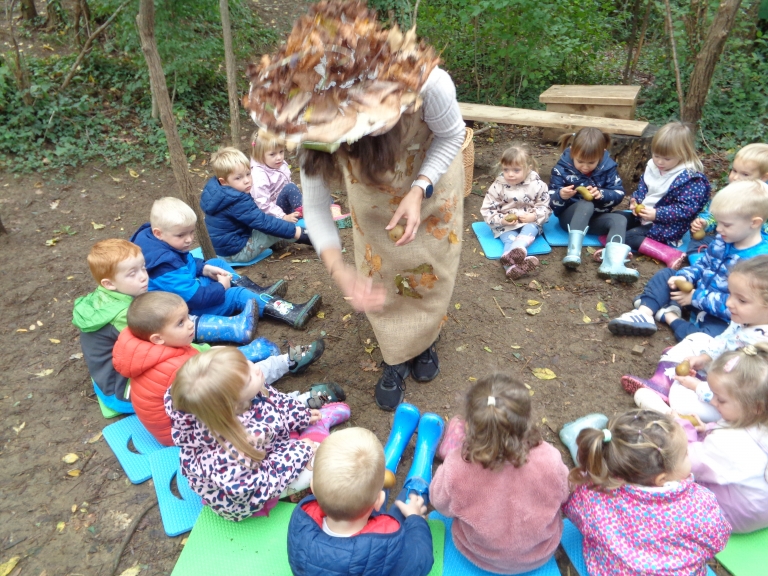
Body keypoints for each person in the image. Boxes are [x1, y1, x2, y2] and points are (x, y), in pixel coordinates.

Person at [281, 13, 466, 411]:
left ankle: (426, 340)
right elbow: (314, 206)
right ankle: (396, 355)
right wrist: (341, 272)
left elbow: (452, 134)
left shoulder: (428, 83)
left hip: (430, 180)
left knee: (432, 268)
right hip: (371, 201)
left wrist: (420, 188)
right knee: (380, 271)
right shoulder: (308, 111)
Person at [112, 291, 328, 445]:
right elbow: (217, 399)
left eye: (188, 317)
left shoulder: (152, 347)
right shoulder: (173, 369)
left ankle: (286, 362)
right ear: (157, 338)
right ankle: (297, 403)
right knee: (247, 392)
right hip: (187, 431)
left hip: (195, 408)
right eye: (180, 323)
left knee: (244, 372)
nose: (190, 325)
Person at [165, 346, 351, 521]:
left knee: (299, 435)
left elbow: (276, 402)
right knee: (323, 456)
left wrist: (300, 415)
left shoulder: (237, 396)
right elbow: (260, 486)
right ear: (232, 405)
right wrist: (300, 451)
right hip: (254, 493)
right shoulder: (231, 453)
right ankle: (317, 433)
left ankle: (309, 431)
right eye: (247, 378)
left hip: (266, 451)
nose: (255, 368)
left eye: (247, 362)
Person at [430, 374, 569, 574]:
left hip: (478, 555)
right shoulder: (550, 458)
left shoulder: (457, 466)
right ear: (527, 421)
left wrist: (452, 460)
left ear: (468, 426)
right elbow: (564, 493)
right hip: (538, 554)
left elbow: (440, 504)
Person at [563, 409, 730, 575]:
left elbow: (571, 510)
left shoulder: (591, 492)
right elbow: (718, 541)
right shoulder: (701, 504)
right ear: (662, 479)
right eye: (685, 453)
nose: (690, 454)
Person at [608, 180, 768, 340]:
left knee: (710, 340)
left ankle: (670, 316)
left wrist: (696, 297)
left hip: (724, 314)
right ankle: (644, 313)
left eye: (726, 224)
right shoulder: (723, 239)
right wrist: (685, 277)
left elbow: (743, 304)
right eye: (718, 222)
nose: (718, 229)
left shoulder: (758, 261)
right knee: (667, 275)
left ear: (754, 223)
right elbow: (703, 264)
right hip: (696, 295)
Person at [131, 196, 321, 330]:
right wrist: (222, 288)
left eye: (191, 232)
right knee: (235, 294)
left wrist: (203, 268)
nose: (189, 240)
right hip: (186, 310)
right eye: (182, 235)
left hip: (188, 291)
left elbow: (185, 261)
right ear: (158, 233)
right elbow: (196, 298)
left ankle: (257, 295)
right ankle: (289, 313)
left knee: (216, 263)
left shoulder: (161, 242)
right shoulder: (163, 265)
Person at [624, 256, 768, 423]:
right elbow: (723, 341)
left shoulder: (761, 347)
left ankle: (674, 417)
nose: (729, 303)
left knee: (684, 401)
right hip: (719, 373)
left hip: (729, 400)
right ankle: (661, 382)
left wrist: (696, 386)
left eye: (741, 300)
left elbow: (736, 394)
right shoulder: (745, 319)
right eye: (730, 295)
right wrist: (704, 358)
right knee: (699, 338)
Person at [287, 427, 434, 576]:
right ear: (379, 501)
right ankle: (416, 484)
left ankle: (392, 454)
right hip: (379, 547)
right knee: (406, 507)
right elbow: (421, 559)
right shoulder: (393, 547)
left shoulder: (300, 522)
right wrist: (415, 520)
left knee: (362, 492)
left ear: (313, 487)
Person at [72, 239, 148, 414]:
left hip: (104, 380)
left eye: (143, 267)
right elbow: (154, 348)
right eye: (132, 273)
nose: (143, 276)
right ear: (109, 283)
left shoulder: (103, 296)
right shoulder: (122, 315)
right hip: (122, 393)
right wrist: (201, 352)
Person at [200, 146, 312, 265]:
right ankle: (310, 237)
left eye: (248, 174)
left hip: (224, 248)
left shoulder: (218, 190)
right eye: (238, 178)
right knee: (273, 227)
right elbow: (264, 223)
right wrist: (298, 232)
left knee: (273, 222)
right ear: (224, 181)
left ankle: (284, 239)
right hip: (237, 252)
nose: (247, 180)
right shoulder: (236, 199)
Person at [549, 128, 635, 280]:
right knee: (586, 204)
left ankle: (613, 262)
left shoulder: (608, 168)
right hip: (570, 218)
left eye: (591, 162)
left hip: (596, 218)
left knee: (619, 219)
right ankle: (573, 254)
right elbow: (547, 197)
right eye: (580, 161)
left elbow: (619, 193)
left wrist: (602, 194)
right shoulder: (561, 169)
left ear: (601, 154)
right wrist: (560, 195)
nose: (585, 167)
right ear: (572, 151)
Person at [624, 122, 711, 269]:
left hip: (668, 226)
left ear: (683, 154)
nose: (659, 161)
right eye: (656, 155)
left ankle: (670, 254)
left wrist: (657, 214)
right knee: (616, 220)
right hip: (644, 216)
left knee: (629, 236)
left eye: (667, 158)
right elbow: (644, 187)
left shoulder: (691, 178)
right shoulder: (654, 166)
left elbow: (686, 209)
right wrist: (635, 200)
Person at [481, 145, 551, 280]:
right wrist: (501, 219)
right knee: (510, 238)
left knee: (529, 229)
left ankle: (518, 249)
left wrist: (534, 215)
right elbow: (487, 209)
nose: (510, 174)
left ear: (528, 167)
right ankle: (511, 267)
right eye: (506, 169)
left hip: (530, 222)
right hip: (506, 225)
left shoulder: (538, 185)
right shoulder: (498, 186)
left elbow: (545, 206)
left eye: (516, 170)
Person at [688, 143, 768, 257]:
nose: (735, 177)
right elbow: (714, 215)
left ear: (763, 177)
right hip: (724, 240)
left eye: (745, 174)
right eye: (734, 170)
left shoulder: (764, 201)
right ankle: (703, 265)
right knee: (697, 243)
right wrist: (704, 223)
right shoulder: (727, 193)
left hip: (753, 250)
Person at [250, 131, 303, 222]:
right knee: (290, 188)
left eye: (281, 152)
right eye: (272, 154)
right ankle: (307, 214)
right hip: (275, 212)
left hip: (286, 202)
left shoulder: (278, 164)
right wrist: (283, 216)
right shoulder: (259, 176)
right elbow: (263, 204)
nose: (279, 157)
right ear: (260, 155)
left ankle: (322, 210)